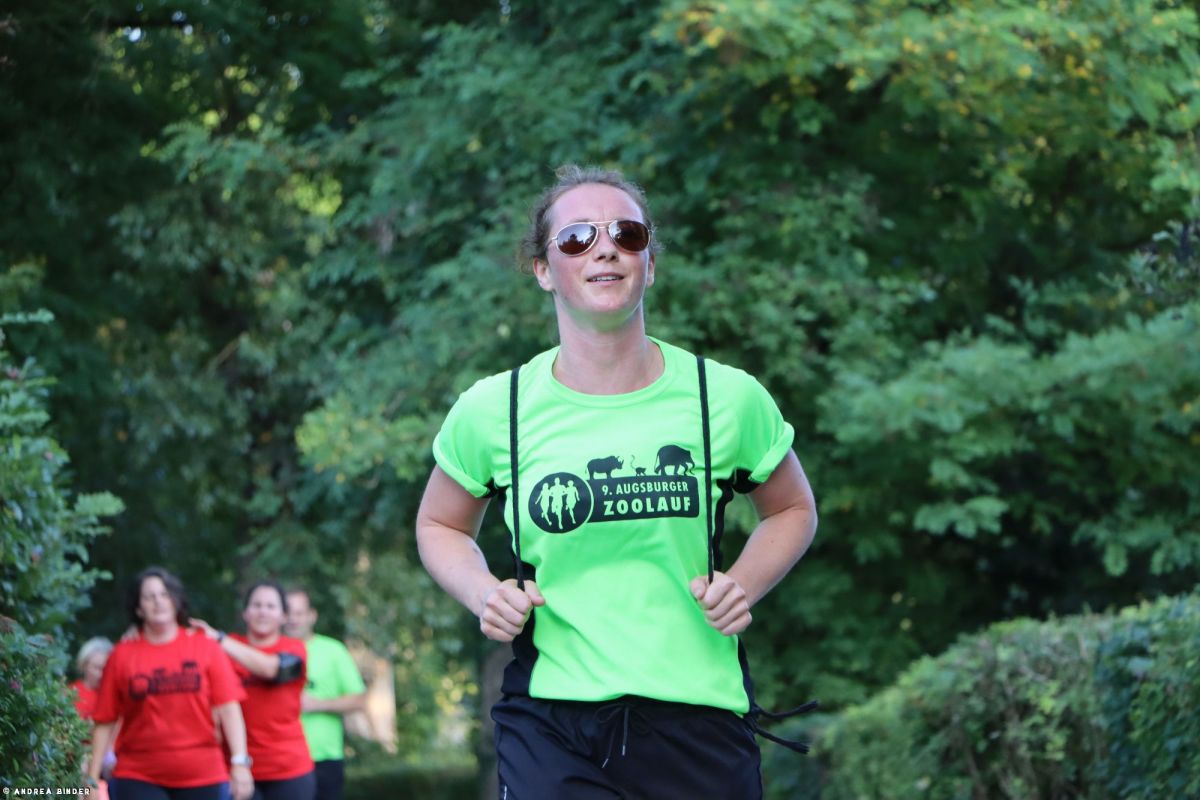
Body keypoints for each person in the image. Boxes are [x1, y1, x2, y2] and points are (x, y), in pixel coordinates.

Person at [415, 164, 819, 798]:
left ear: (648, 264)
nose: (605, 249)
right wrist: (482, 591)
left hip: (699, 720)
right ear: (543, 269)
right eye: (577, 237)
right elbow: (439, 523)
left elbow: (793, 508)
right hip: (554, 723)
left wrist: (744, 583)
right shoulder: (497, 408)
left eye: (627, 234)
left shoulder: (724, 396)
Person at [89, 566, 254, 800]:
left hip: (203, 775)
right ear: (138, 608)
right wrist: (92, 779)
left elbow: (229, 708)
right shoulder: (121, 655)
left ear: (176, 600)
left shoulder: (205, 647)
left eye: (165, 594)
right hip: (138, 775)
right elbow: (105, 719)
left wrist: (240, 762)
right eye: (149, 596)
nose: (158, 601)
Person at [192, 580, 315, 800]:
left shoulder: (294, 648)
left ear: (283, 616)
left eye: (271, 606)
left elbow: (270, 668)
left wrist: (219, 639)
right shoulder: (224, 647)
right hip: (236, 767)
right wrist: (140, 630)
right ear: (245, 613)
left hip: (289, 769)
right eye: (256, 605)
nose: (263, 612)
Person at [283, 588, 366, 800]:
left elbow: (359, 699)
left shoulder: (333, 650)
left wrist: (317, 704)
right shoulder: (269, 652)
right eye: (288, 612)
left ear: (312, 615)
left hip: (324, 759)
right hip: (280, 758)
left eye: (299, 613)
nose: (293, 619)